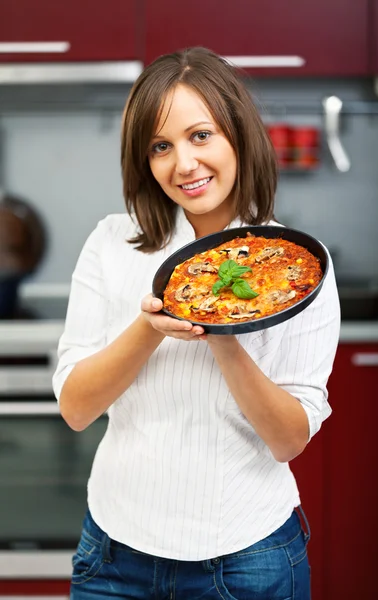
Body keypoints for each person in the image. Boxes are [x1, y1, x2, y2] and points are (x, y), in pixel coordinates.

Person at [53, 46, 340, 599]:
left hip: (248, 556)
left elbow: (287, 441)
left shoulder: (298, 264)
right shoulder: (111, 242)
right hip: (114, 553)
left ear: (238, 134)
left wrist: (224, 335)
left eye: (201, 135)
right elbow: (76, 408)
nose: (184, 163)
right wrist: (151, 325)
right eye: (161, 146)